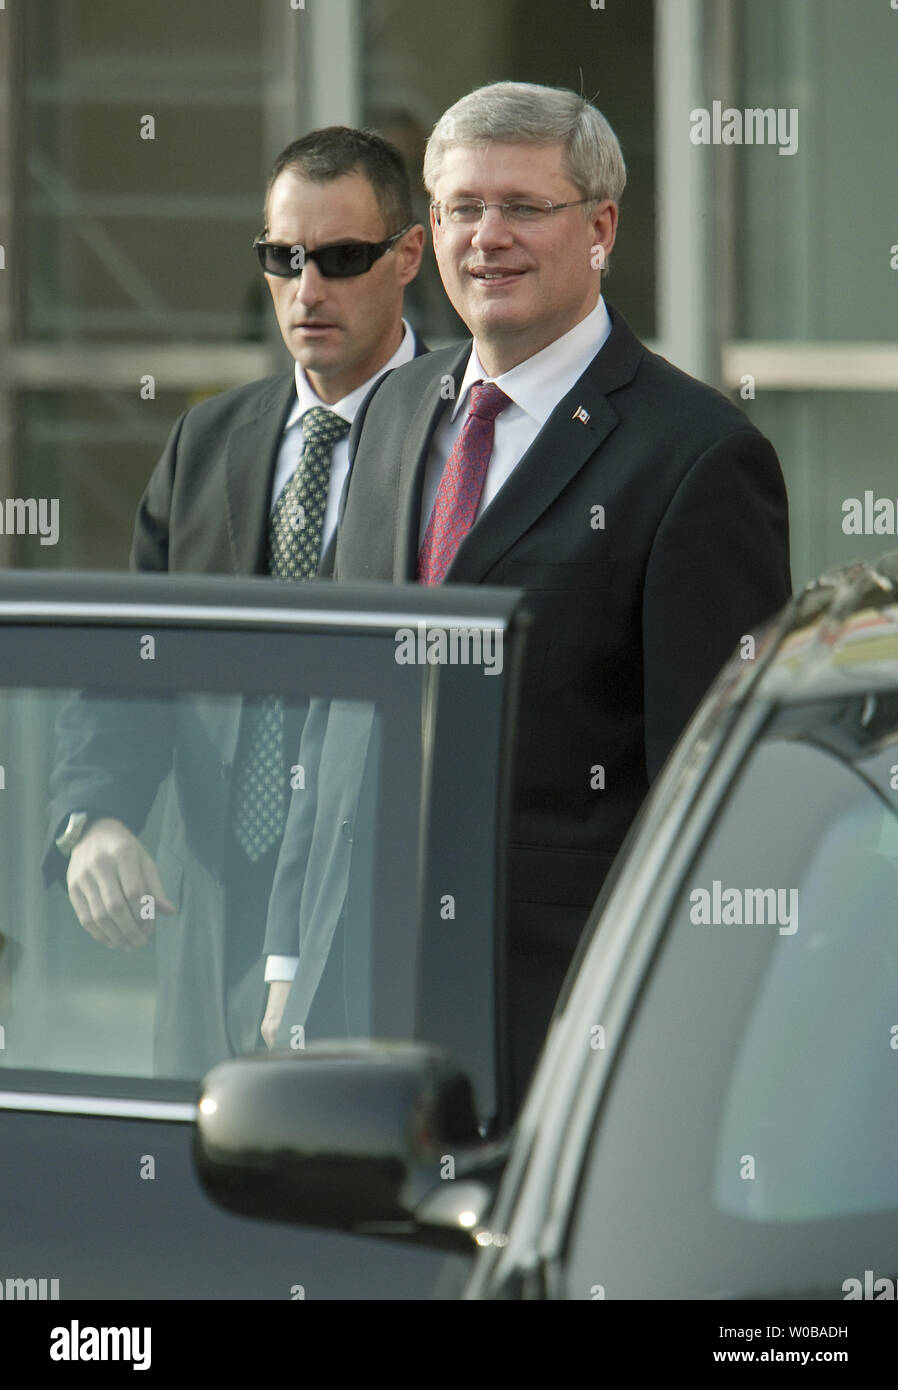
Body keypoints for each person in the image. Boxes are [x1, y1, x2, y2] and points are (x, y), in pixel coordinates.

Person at [263, 82, 792, 1108]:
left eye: (522, 207)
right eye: (461, 209)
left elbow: (706, 794)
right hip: (351, 1008)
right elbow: (336, 719)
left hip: (556, 1028)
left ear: (599, 228)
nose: (486, 237)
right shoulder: (394, 410)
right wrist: (290, 957)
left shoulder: (698, 459)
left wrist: (663, 1044)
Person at [43, 127, 426, 1078]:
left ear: (408, 255)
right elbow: (134, 659)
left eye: (342, 259)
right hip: (207, 906)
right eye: (283, 259)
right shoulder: (208, 440)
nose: (309, 291)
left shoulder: (459, 436)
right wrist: (95, 818)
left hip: (376, 911)